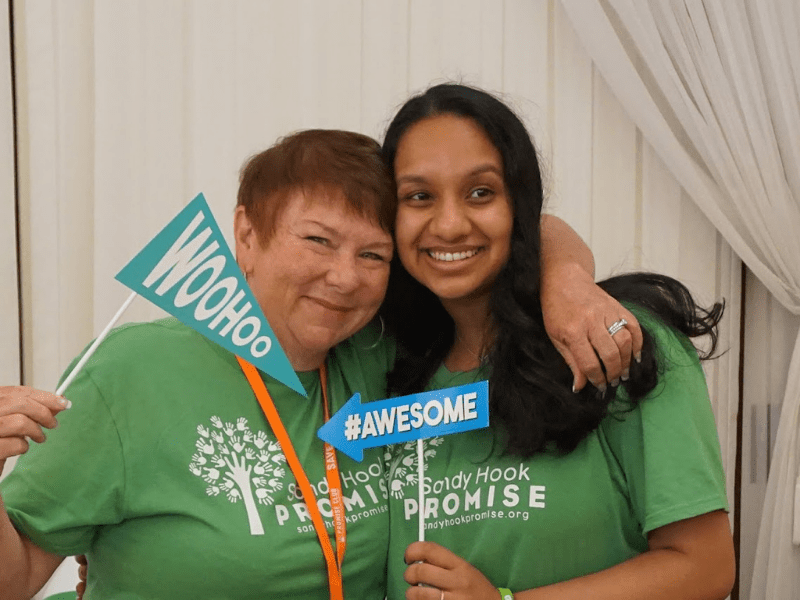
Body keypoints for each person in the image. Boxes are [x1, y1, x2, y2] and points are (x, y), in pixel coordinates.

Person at [0, 128, 638, 599]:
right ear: (246, 235)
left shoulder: (379, 355)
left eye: (373, 255)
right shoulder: (130, 373)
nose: (344, 278)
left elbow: (524, 229)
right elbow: (16, 576)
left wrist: (567, 283)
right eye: (318, 240)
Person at [379, 84, 735, 600]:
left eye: (481, 192)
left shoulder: (616, 338)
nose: (450, 224)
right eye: (418, 196)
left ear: (519, 204)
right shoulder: (390, 363)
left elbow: (704, 567)